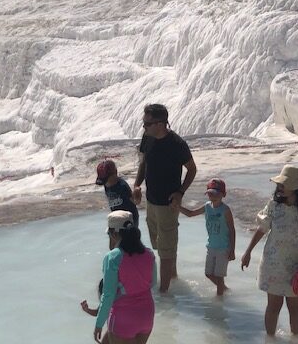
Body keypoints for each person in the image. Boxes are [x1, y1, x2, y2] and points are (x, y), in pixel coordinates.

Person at [241, 165, 298, 337]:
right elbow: (262, 228)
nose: (279, 187)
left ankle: (296, 339)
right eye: (279, 184)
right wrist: (248, 252)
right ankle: (270, 340)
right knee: (273, 306)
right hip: (272, 265)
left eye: (283, 185)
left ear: (296, 187)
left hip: (297, 267)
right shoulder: (274, 205)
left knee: (294, 307)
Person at [133, 103, 197, 292]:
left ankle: (165, 293)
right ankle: (174, 275)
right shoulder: (148, 138)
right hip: (151, 201)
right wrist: (137, 185)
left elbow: (192, 169)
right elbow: (143, 163)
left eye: (147, 123)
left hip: (169, 204)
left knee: (166, 250)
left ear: (160, 124)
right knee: (159, 243)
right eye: (144, 123)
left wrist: (180, 192)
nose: (144, 127)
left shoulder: (176, 144)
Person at [94, 210, 156, 344]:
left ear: (114, 234)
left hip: (123, 319)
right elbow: (152, 283)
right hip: (147, 315)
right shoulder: (149, 254)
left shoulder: (113, 258)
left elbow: (108, 295)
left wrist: (99, 323)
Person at [180, 177, 235, 295]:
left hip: (223, 248)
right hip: (211, 246)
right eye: (210, 193)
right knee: (208, 273)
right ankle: (224, 289)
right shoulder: (207, 206)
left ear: (223, 194)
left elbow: (232, 230)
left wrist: (232, 250)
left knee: (219, 277)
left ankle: (220, 300)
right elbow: (191, 214)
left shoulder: (226, 210)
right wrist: (177, 207)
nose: (212, 196)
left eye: (215, 194)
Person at [96, 159, 139, 227]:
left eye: (106, 180)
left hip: (129, 218)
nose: (106, 183)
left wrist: (137, 197)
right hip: (116, 217)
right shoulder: (106, 185)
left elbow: (134, 201)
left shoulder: (122, 186)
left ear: (115, 173)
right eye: (104, 181)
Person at [81, 280, 109, 344]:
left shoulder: (108, 301)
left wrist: (98, 326)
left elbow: (99, 312)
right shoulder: (109, 301)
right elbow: (98, 312)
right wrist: (87, 309)